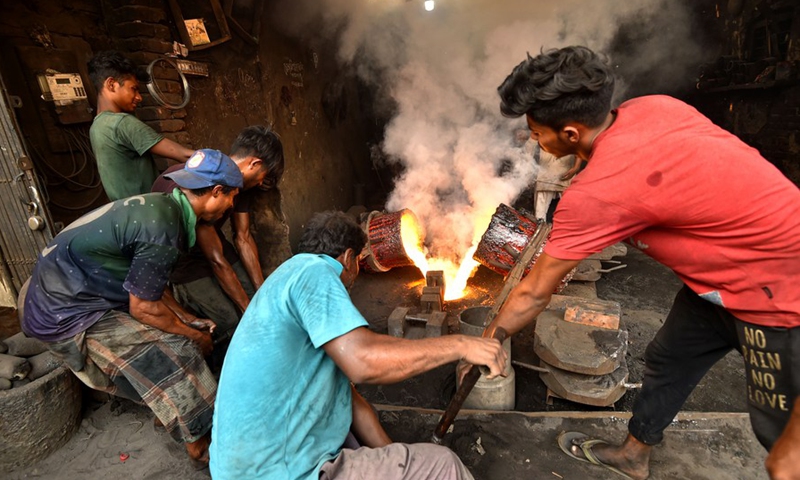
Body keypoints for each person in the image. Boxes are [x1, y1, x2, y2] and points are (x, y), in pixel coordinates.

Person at [484, 46, 800, 480]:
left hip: (778, 295)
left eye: (538, 133)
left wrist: (487, 339)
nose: (534, 140)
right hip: (716, 281)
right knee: (668, 358)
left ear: (572, 132)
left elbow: (535, 291)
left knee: (783, 447)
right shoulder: (653, 107)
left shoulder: (598, 194)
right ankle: (634, 455)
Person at [209, 211, 508, 480]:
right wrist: (459, 345)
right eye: (359, 264)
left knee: (355, 438)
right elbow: (363, 362)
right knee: (443, 464)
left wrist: (396, 458)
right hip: (277, 470)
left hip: (238, 465)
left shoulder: (286, 277)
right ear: (348, 259)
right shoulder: (314, 273)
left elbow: (351, 402)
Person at [21, 149, 243, 465]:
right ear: (217, 192)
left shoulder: (164, 207)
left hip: (72, 291)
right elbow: (143, 308)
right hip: (67, 311)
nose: (231, 205)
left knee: (177, 334)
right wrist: (193, 336)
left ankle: (172, 410)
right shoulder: (164, 228)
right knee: (178, 351)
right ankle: (202, 445)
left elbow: (145, 286)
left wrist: (188, 317)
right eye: (231, 197)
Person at [152, 125, 284, 344]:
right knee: (229, 321)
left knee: (256, 299)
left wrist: (262, 293)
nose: (261, 183)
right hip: (185, 262)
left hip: (215, 247)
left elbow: (242, 237)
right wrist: (249, 311)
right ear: (254, 164)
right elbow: (217, 261)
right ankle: (222, 365)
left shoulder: (240, 184)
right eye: (264, 177)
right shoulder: (208, 180)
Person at [88, 50, 195, 201]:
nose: (138, 97)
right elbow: (183, 154)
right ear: (111, 84)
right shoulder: (122, 123)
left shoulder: (97, 126)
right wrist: (221, 160)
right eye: (134, 89)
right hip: (149, 209)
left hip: (127, 212)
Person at [526, 138, 580, 222]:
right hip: (546, 178)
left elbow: (579, 146)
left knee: (568, 216)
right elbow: (531, 144)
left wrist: (576, 167)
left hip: (564, 177)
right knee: (540, 218)